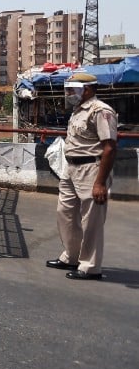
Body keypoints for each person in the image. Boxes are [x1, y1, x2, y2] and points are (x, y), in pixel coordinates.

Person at [45, 72, 117, 280]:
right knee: (65, 212)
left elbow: (110, 148)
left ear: (87, 89)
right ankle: (71, 256)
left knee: (91, 220)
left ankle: (90, 266)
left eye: (71, 90)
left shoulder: (101, 111)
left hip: (92, 169)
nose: (67, 94)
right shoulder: (77, 110)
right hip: (71, 168)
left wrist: (100, 182)